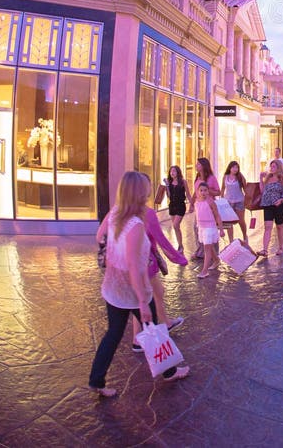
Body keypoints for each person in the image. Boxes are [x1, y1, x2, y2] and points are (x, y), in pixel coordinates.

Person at [89, 171, 189, 397]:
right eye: (145, 188)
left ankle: (97, 379)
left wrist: (114, 251)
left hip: (113, 287)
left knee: (113, 333)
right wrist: (143, 302)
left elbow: (99, 236)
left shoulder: (115, 213)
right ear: (139, 193)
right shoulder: (135, 225)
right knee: (153, 328)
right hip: (133, 290)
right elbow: (135, 267)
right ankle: (169, 371)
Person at [131, 205, 187, 352]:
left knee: (157, 292)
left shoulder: (121, 210)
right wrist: (179, 258)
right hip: (145, 263)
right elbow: (161, 239)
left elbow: (103, 235)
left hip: (132, 264)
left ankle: (166, 322)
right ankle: (137, 339)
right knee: (143, 301)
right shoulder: (147, 212)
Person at [258, 159, 283, 256]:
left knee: (279, 227)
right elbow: (262, 191)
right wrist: (261, 179)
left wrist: (281, 200)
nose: (271, 168)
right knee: (267, 227)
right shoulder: (268, 178)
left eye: (274, 166)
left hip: (279, 206)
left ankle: (281, 247)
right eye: (271, 166)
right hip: (268, 205)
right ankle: (265, 250)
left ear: (279, 168)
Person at [193, 181, 225, 278]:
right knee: (208, 246)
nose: (203, 192)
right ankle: (216, 260)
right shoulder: (197, 201)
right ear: (198, 191)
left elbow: (217, 215)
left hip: (210, 227)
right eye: (201, 190)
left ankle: (204, 271)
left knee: (207, 247)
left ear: (208, 192)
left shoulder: (210, 202)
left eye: (205, 190)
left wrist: (221, 229)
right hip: (201, 227)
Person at [191, 157, 221, 259]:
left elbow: (218, 192)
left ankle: (214, 253)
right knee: (197, 228)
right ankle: (201, 251)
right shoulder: (197, 178)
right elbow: (195, 192)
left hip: (209, 207)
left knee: (211, 229)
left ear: (203, 166)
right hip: (199, 207)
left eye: (198, 164)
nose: (196, 166)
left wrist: (207, 191)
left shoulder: (211, 178)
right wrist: (191, 204)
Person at [165, 165, 193, 252]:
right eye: (171, 171)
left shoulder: (183, 182)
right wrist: (167, 186)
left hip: (180, 205)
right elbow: (169, 196)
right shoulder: (169, 183)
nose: (172, 173)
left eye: (174, 171)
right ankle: (180, 246)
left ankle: (180, 246)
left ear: (178, 172)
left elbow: (188, 194)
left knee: (175, 225)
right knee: (176, 227)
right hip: (172, 206)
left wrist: (192, 204)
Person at [220, 160, 249, 245]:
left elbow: (245, 188)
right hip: (228, 202)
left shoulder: (240, 176)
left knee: (241, 221)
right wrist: (221, 199)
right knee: (229, 222)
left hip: (239, 201)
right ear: (230, 168)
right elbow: (222, 188)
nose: (235, 169)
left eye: (237, 167)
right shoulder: (225, 177)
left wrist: (248, 199)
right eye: (233, 167)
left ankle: (245, 236)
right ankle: (231, 241)